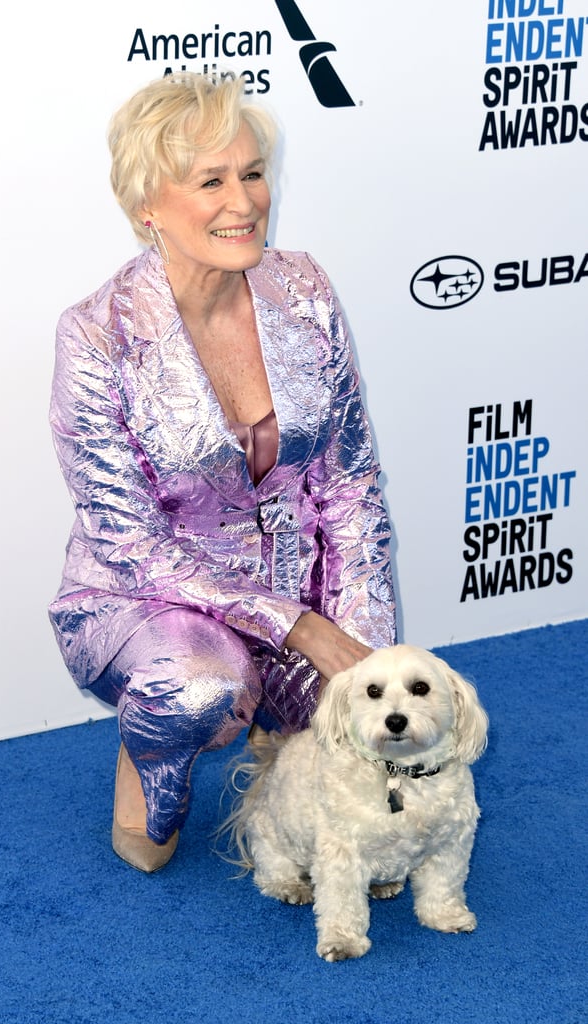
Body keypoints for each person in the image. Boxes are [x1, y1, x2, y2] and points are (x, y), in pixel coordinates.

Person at [49, 72, 396, 873]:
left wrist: (358, 639)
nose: (243, 201)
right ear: (146, 206)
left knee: (374, 717)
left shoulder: (303, 289)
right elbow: (130, 542)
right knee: (201, 690)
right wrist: (296, 628)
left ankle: (281, 717)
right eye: (210, 181)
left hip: (300, 584)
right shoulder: (96, 337)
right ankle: (154, 762)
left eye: (250, 173)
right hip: (151, 600)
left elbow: (349, 484)